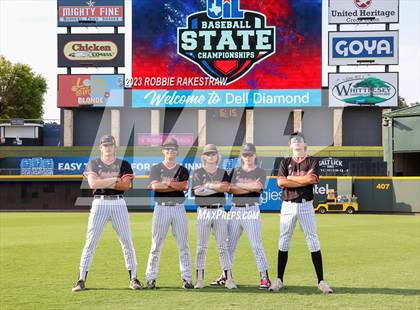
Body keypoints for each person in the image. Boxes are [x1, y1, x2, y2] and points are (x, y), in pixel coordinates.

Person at [72, 135, 142, 292]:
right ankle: (81, 279)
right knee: (91, 241)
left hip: (118, 202)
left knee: (127, 241)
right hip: (99, 202)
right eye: (105, 145)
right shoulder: (94, 163)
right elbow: (93, 184)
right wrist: (113, 179)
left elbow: (125, 186)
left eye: (110, 145)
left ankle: (134, 278)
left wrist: (106, 180)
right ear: (100, 147)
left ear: (115, 147)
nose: (108, 147)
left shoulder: (123, 164)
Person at [269, 132, 333, 294]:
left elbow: (311, 179)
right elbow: (281, 182)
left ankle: (321, 281)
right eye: (293, 141)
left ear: (305, 144)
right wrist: (300, 179)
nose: (297, 142)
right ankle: (279, 279)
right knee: (284, 241)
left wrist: (292, 179)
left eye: (300, 140)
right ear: (290, 145)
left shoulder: (312, 161)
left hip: (306, 205)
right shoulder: (285, 162)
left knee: (313, 240)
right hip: (288, 205)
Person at [211, 143, 271, 289]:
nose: (248, 157)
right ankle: (225, 276)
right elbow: (230, 189)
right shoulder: (235, 171)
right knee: (228, 245)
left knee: (256, 245)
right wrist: (249, 187)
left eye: (250, 154)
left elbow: (258, 188)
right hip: (235, 210)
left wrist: (241, 187)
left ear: (255, 155)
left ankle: (264, 278)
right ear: (241, 156)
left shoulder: (260, 171)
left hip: (251, 209)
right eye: (245, 154)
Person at [145, 138, 193, 289]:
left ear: (177, 151)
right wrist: (173, 185)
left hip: (178, 208)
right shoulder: (156, 168)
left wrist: (165, 183)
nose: (170, 151)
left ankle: (187, 279)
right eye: (167, 148)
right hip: (161, 208)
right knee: (156, 245)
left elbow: (184, 186)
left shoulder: (182, 169)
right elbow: (155, 187)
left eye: (173, 149)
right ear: (162, 151)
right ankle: (151, 278)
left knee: (183, 245)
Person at [192, 144, 237, 289]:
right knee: (201, 247)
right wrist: (215, 187)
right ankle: (199, 280)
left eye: (213, 154)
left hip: (219, 210)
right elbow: (198, 192)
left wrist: (208, 185)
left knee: (223, 247)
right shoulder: (198, 172)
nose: (211, 156)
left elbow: (225, 188)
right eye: (208, 154)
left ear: (217, 156)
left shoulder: (223, 172)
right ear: (203, 156)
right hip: (203, 210)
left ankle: (229, 279)